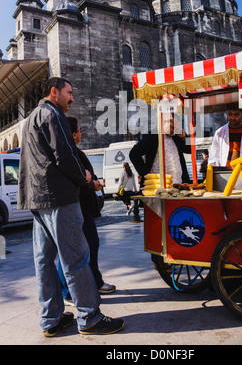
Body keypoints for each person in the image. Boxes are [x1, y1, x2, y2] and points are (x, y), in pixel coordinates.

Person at [17, 77, 124, 337]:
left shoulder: (31, 117)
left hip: (38, 200)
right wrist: (85, 176)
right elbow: (65, 154)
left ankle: (50, 319)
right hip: (59, 199)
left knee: (44, 261)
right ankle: (90, 317)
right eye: (69, 92)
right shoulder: (52, 115)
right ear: (54, 92)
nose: (72, 98)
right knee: (76, 258)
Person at [57, 116, 115, 306]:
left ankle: (94, 282)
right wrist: (92, 185)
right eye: (80, 130)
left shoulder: (75, 152)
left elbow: (86, 176)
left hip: (83, 207)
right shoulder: (69, 153)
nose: (81, 133)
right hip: (75, 205)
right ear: (73, 134)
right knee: (70, 250)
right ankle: (66, 291)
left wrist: (93, 181)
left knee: (90, 245)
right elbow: (80, 180)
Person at [129, 113, 191, 186]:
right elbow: (134, 154)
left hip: (178, 183)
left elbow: (190, 150)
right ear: (164, 122)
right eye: (172, 127)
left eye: (176, 129)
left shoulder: (176, 137)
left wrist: (185, 137)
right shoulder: (152, 136)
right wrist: (145, 174)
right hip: (157, 185)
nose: (174, 131)